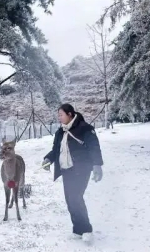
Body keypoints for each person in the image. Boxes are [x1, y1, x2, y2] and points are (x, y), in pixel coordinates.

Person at [42, 103, 104, 244]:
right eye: (58, 115)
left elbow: (94, 147)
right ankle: (78, 229)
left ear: (70, 114)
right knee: (70, 200)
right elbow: (55, 150)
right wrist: (47, 159)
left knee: (76, 198)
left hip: (81, 169)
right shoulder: (60, 132)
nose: (59, 117)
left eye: (61, 114)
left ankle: (86, 229)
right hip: (66, 170)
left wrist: (97, 165)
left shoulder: (85, 129)